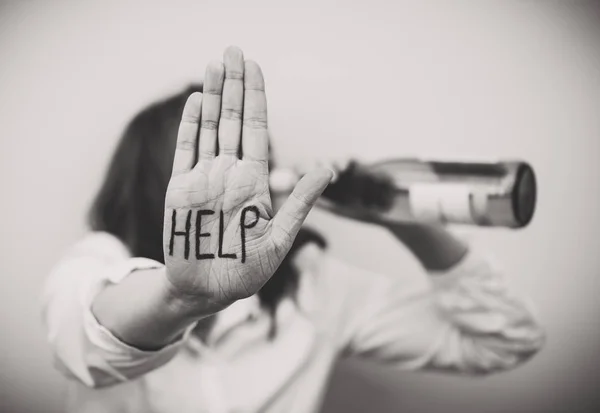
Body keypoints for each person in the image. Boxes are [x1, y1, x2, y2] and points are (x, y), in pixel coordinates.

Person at [42, 46, 545, 413]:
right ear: (160, 184)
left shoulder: (314, 287)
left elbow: (505, 339)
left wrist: (400, 217)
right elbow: (85, 345)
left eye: (251, 166)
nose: (249, 187)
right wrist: (180, 297)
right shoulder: (97, 261)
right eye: (216, 166)